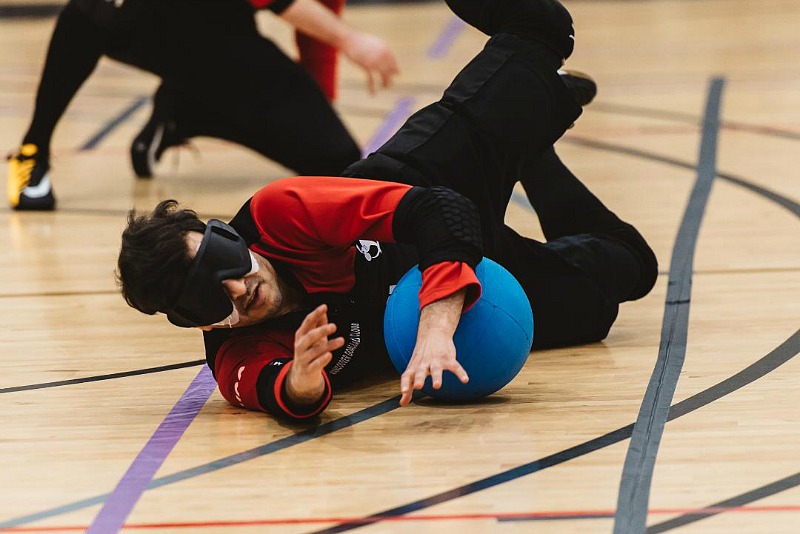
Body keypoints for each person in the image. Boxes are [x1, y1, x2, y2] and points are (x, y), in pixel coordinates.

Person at [116, 0, 658, 422]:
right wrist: (302, 383)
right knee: (631, 271)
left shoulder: (280, 212)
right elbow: (276, 391)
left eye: (218, 265)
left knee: (546, 30)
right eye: (205, 298)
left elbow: (438, 208)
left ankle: (519, 131)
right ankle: (531, 146)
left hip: (429, 179)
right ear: (193, 322)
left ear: (224, 235)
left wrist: (437, 325)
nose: (236, 290)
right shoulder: (238, 352)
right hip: (475, 262)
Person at [6, 0, 400, 210]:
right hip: (153, 18)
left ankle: (182, 111)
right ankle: (32, 151)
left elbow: (317, 38)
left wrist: (307, 115)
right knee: (92, 10)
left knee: (335, 157)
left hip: (221, 41)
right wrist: (352, 40)